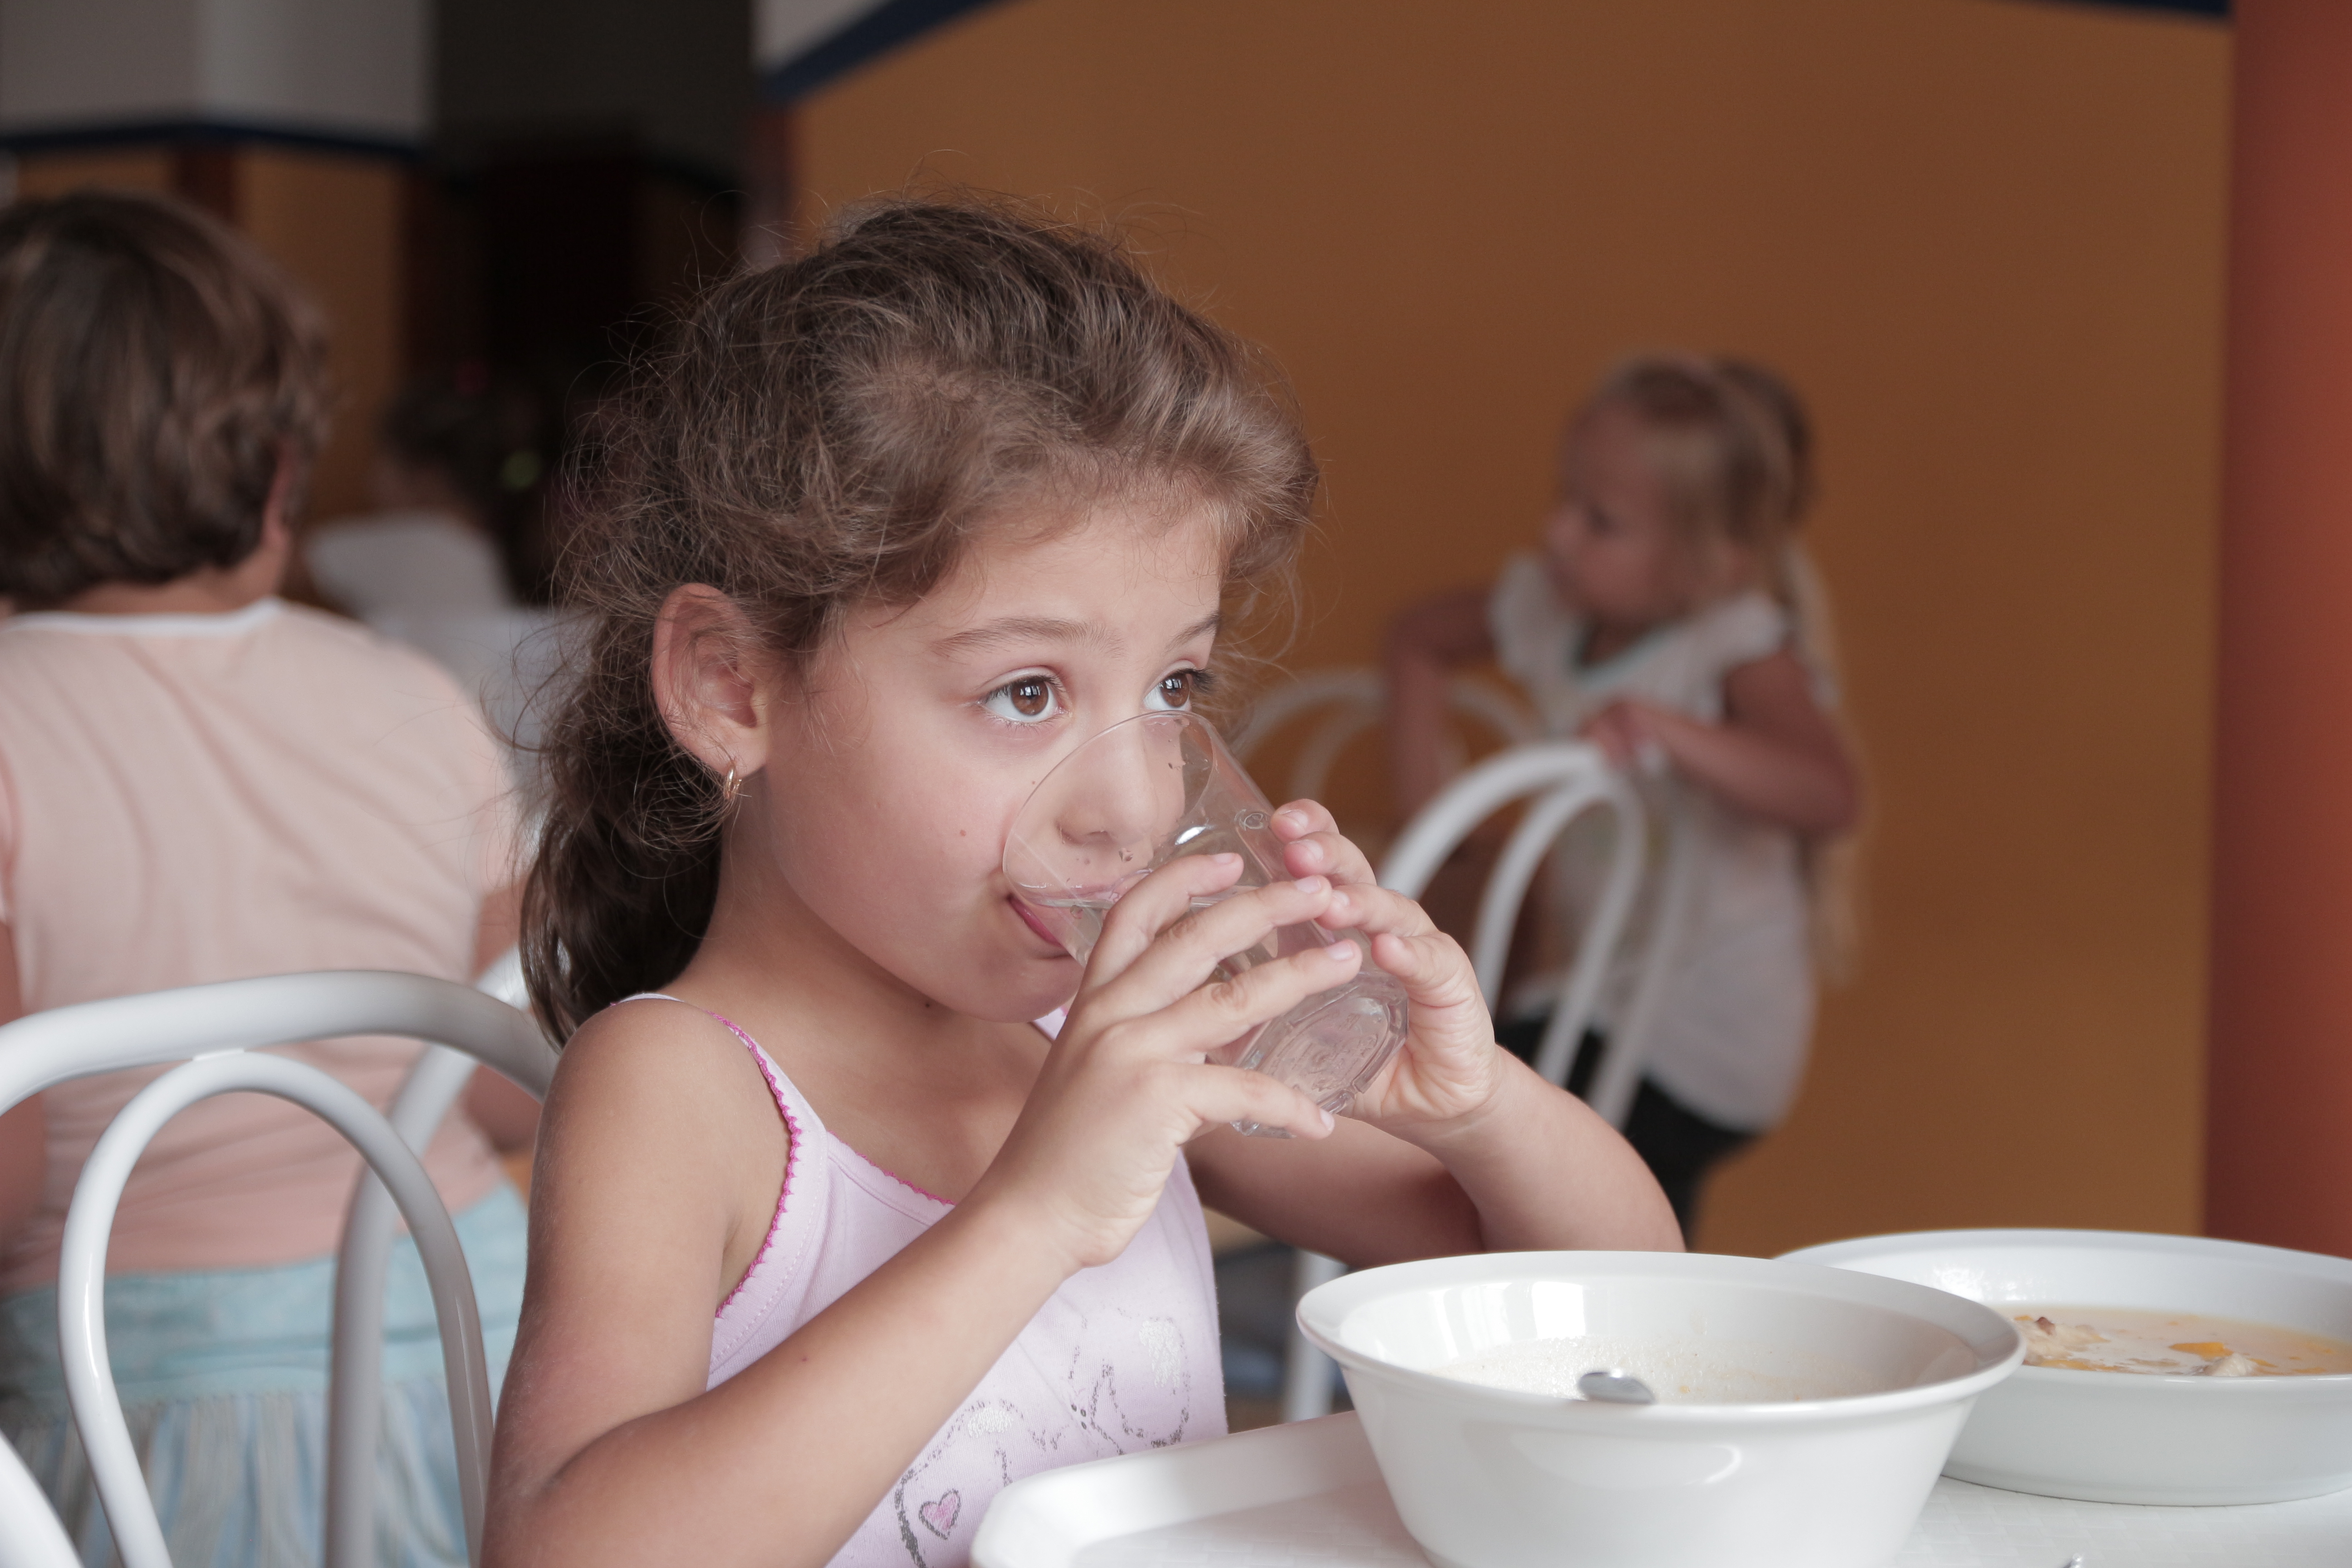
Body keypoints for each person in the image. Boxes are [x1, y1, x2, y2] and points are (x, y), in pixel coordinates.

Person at [481, 197, 1680, 1568]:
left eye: (1174, 688)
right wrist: (1036, 1212)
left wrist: (1477, 1110)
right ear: (732, 688)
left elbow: (1617, 1305)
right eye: (1026, 692)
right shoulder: (683, 1090)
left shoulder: (1110, 1033)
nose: (1133, 802)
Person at [0, 190, 537, 1567]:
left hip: (137, 1403)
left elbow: (3, 1181)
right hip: (485, 1353)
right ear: (281, 467)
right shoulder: (416, 694)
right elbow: (508, 1080)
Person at [1383, 356, 1861, 1236]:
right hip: (1601, 990)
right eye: (1563, 498)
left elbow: (1828, 795)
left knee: (1531, 1161)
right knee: (1480, 1116)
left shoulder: (1733, 647)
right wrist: (1433, 825)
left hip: (1702, 1030)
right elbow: (1416, 638)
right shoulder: (1552, 610)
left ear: (1708, 565)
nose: (1557, 532)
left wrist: (1674, 733)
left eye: (1600, 520)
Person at [306, 369, 564, 757]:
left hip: (427, 747)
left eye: (380, 460)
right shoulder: (494, 546)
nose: (368, 477)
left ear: (425, 476)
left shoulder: (412, 544)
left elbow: (260, 564)